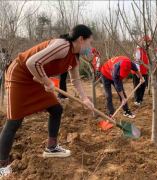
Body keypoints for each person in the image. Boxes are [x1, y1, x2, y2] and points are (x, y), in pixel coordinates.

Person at [0, 24, 95, 178]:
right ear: (81, 39)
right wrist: (47, 82)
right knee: (14, 122)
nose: (90, 47)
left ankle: (51, 148)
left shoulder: (75, 57)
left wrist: (86, 99)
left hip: (37, 78)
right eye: (90, 43)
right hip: (20, 74)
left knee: (57, 109)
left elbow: (76, 81)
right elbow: (32, 62)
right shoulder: (62, 46)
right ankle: (2, 165)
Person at [132, 36, 149, 105]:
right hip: (138, 72)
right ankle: (136, 99)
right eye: (147, 41)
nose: (148, 43)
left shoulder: (144, 50)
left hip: (144, 71)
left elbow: (146, 60)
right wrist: (138, 72)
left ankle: (140, 98)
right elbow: (137, 61)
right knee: (137, 85)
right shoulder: (138, 50)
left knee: (143, 86)